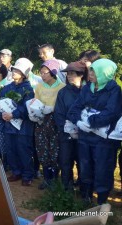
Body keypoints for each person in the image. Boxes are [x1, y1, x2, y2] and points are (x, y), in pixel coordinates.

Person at [67, 58, 121, 205]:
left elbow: (111, 113)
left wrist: (90, 121)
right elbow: (74, 109)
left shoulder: (114, 90)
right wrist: (79, 121)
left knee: (103, 168)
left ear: (105, 73)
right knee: (85, 166)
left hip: (104, 140)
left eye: (94, 71)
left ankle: (102, 201)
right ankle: (86, 196)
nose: (90, 73)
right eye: (91, 70)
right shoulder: (87, 88)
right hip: (85, 137)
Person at [0, 58, 35, 186]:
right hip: (9, 125)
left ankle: (27, 175)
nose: (14, 72)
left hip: (23, 126)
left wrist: (13, 114)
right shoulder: (7, 87)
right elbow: (1, 100)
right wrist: (3, 113)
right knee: (11, 149)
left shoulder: (28, 89)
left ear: (23, 74)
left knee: (23, 150)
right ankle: (16, 171)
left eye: (17, 70)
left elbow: (27, 106)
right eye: (14, 69)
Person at [54, 61, 87, 190]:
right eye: (68, 73)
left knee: (83, 162)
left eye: (72, 73)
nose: (69, 76)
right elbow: (58, 113)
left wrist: (82, 128)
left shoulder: (87, 91)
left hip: (84, 133)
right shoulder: (62, 93)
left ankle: (83, 189)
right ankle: (66, 189)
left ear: (81, 75)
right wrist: (67, 129)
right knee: (65, 161)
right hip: (66, 134)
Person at [34, 60, 66, 190]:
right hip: (41, 121)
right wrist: (35, 112)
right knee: (42, 149)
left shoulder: (62, 87)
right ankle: (46, 178)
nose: (42, 75)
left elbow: (62, 106)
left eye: (45, 73)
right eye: (40, 73)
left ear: (53, 72)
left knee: (55, 150)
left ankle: (54, 178)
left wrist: (52, 108)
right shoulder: (39, 86)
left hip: (55, 122)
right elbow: (35, 101)